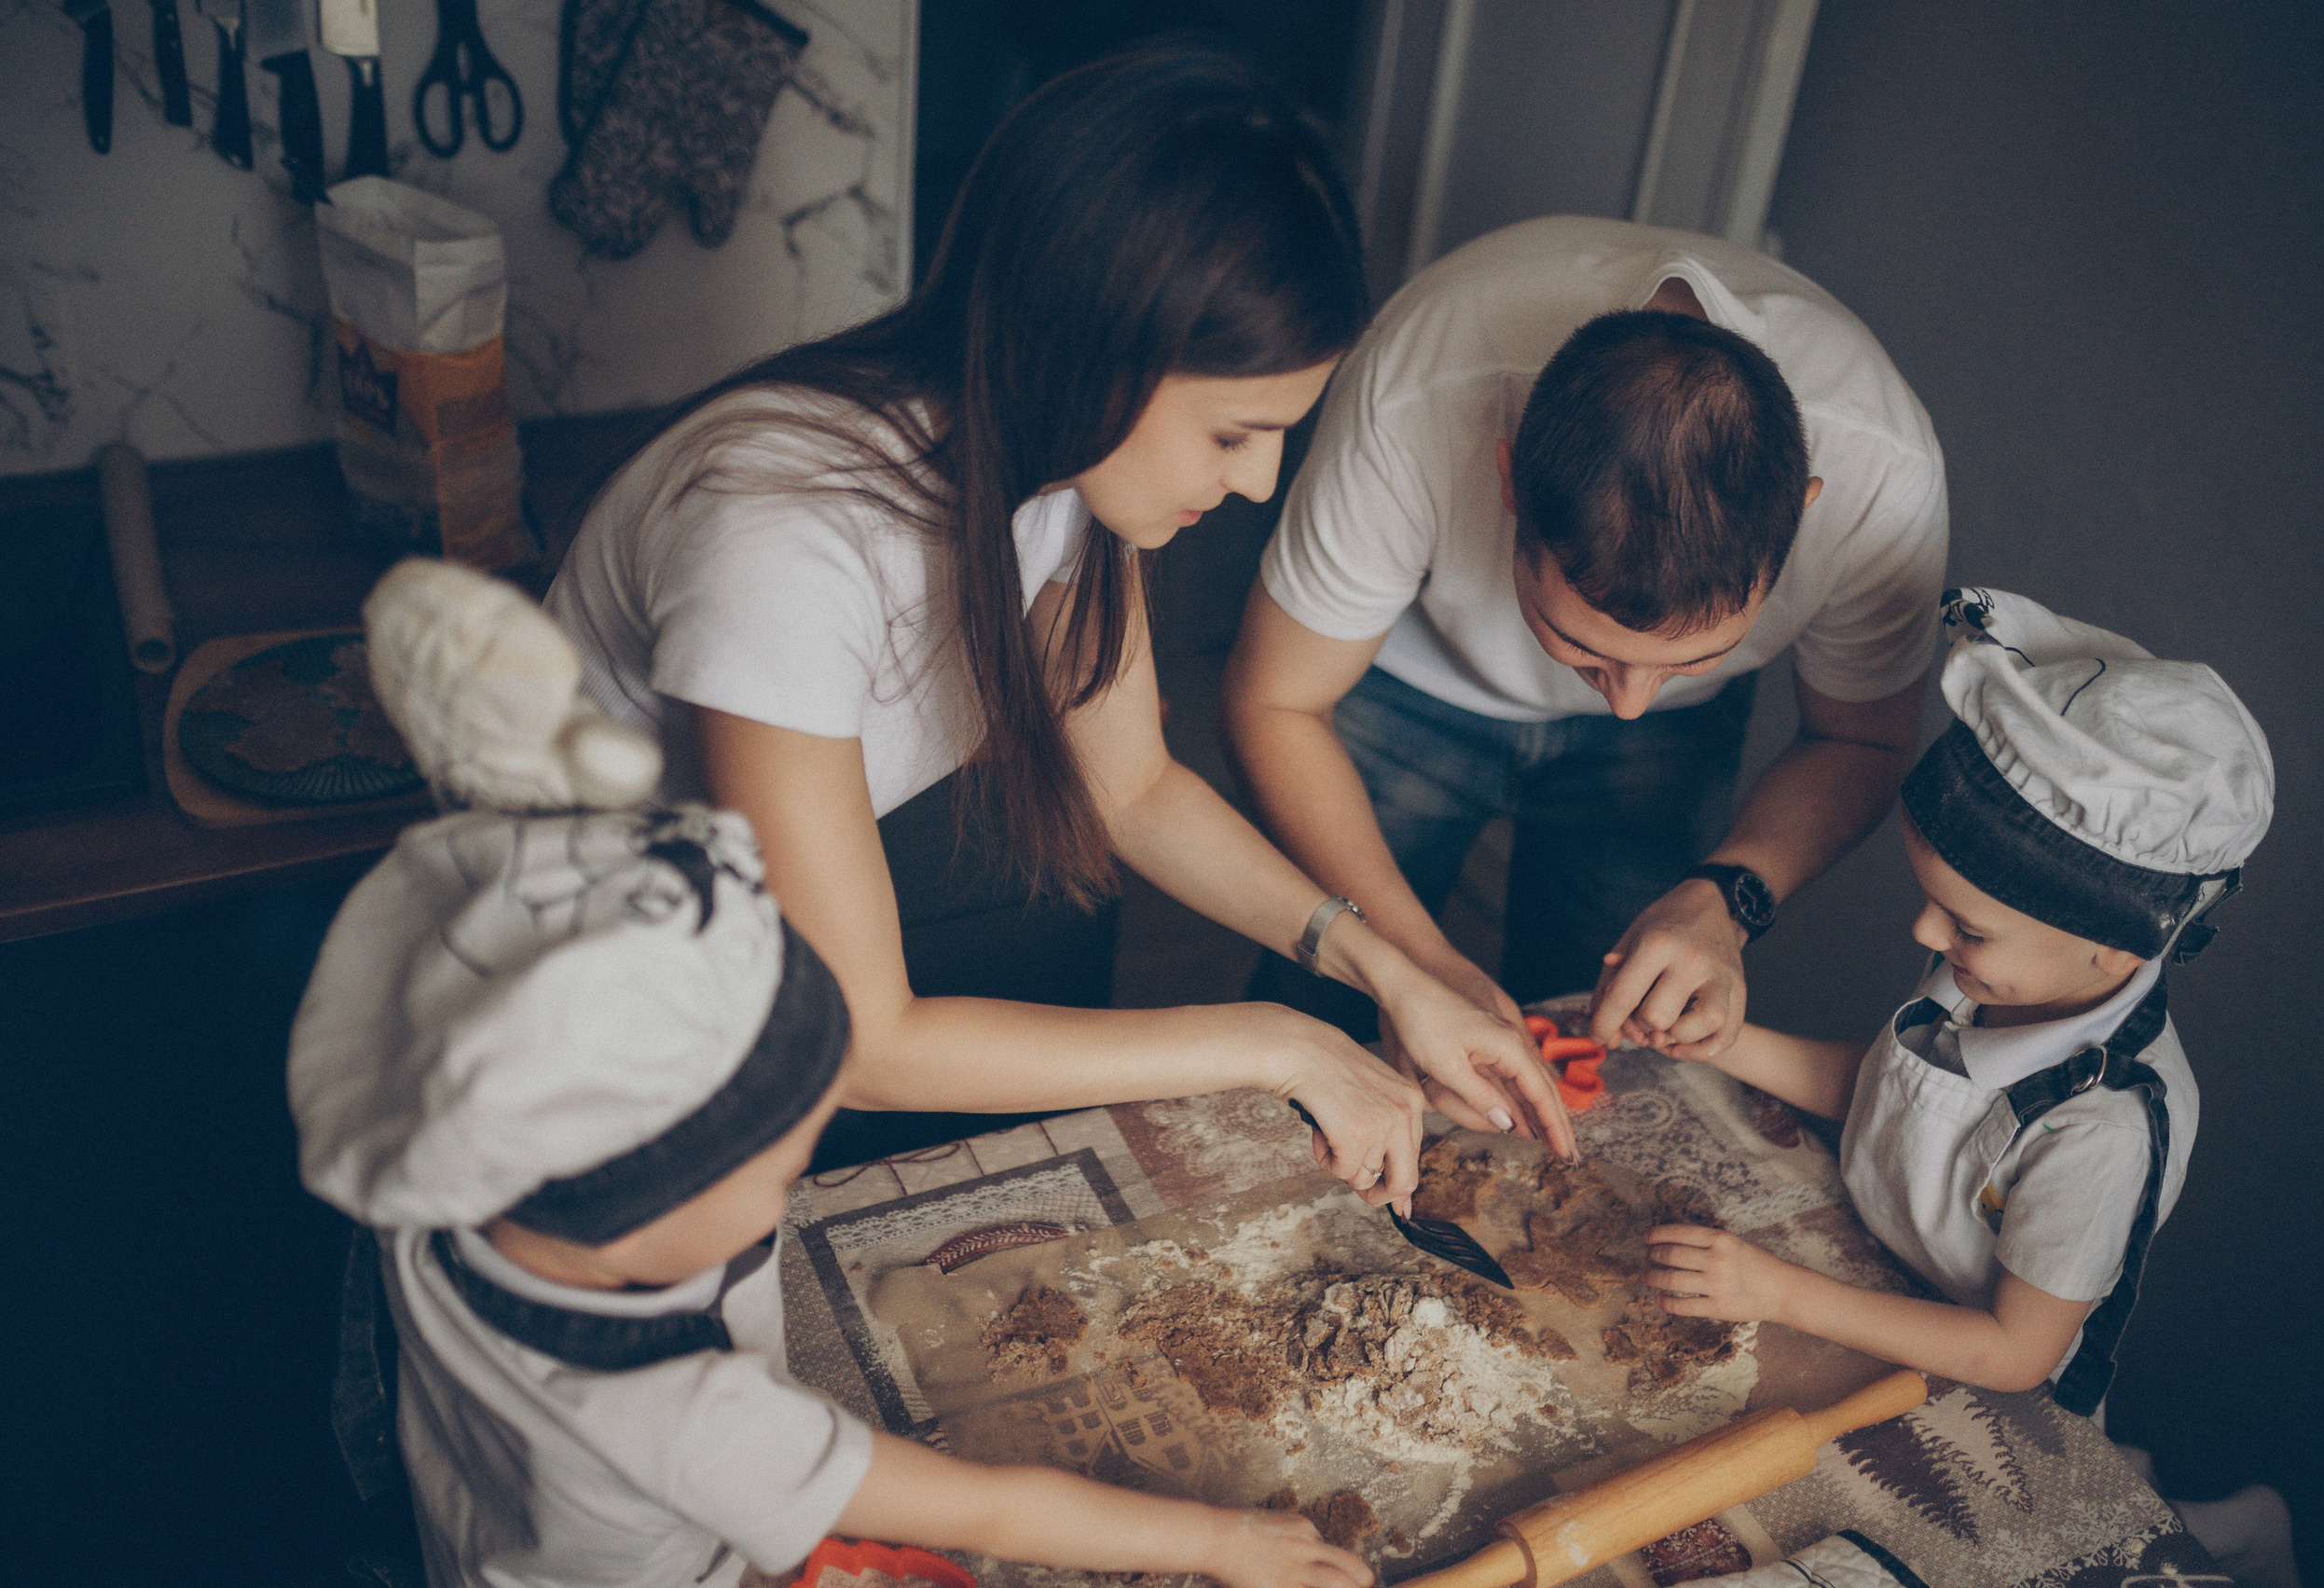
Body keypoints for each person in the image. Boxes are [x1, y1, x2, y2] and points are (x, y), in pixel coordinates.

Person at [544, 49, 1570, 1203]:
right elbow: (865, 1042)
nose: (1257, 481)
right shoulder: (778, 538)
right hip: (587, 1009)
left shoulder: (1066, 474)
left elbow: (1131, 786)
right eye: (1234, 433)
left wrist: (1389, 969)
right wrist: (1286, 1042)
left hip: (737, 946)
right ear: (1092, 350)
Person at [287, 566, 1376, 1588]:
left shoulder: (456, 1175)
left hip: (479, 1525)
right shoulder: (681, 1417)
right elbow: (985, 1510)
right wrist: (1226, 1539)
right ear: (634, 1216)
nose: (793, 1195)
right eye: (774, 1181)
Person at [1223, 216, 1947, 1101]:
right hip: (1399, 681)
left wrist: (1730, 893)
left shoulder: (1887, 475)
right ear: (1508, 482)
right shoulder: (1419, 386)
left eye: (1695, 656)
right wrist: (1408, 962)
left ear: (1804, 514)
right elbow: (1275, 701)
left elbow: (1862, 740)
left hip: (1678, 754)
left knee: (1599, 1029)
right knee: (1330, 990)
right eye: (1582, 645)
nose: (1628, 704)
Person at [1636, 588, 2273, 1414]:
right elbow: (1884, 1091)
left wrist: (1780, 1292)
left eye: (1966, 926)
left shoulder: (2104, 1129)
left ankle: (2243, 1536)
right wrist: (1721, 1041)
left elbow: (2015, 1352)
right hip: (1865, 1279)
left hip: (1971, 1379)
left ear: (2112, 944)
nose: (1925, 931)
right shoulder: (1996, 977)